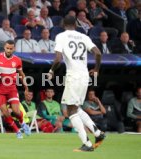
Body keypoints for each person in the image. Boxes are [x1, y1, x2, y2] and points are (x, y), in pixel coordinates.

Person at [47, 15, 105, 152]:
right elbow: (98, 54)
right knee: (76, 107)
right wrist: (96, 69)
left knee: (70, 110)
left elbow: (58, 59)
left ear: (63, 24)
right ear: (76, 25)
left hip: (73, 76)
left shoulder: (61, 36)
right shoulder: (84, 36)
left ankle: (87, 143)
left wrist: (51, 71)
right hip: (84, 75)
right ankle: (98, 133)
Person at [0, 40, 31, 139]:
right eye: (7, 48)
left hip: (11, 88)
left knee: (16, 111)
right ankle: (17, 131)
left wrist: (26, 88)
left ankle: (23, 124)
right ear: (4, 47)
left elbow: (21, 75)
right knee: (6, 113)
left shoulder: (17, 60)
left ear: (14, 49)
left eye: (11, 49)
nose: (9, 50)